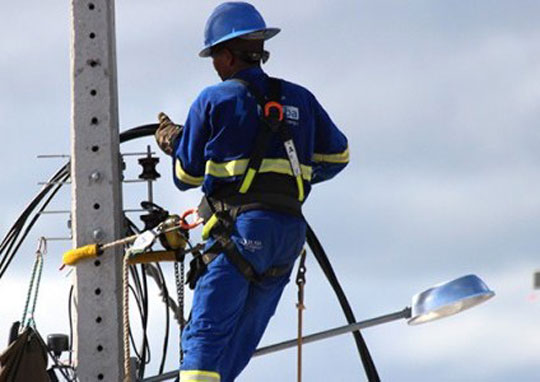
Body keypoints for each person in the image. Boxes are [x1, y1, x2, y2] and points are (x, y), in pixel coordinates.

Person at [155, 2, 349, 381]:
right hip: (286, 236)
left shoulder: (214, 100)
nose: (214, 64)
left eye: (214, 56)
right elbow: (338, 156)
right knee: (236, 349)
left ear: (227, 55)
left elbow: (186, 176)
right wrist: (288, 181)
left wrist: (175, 140)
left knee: (205, 343)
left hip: (238, 234)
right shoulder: (301, 99)